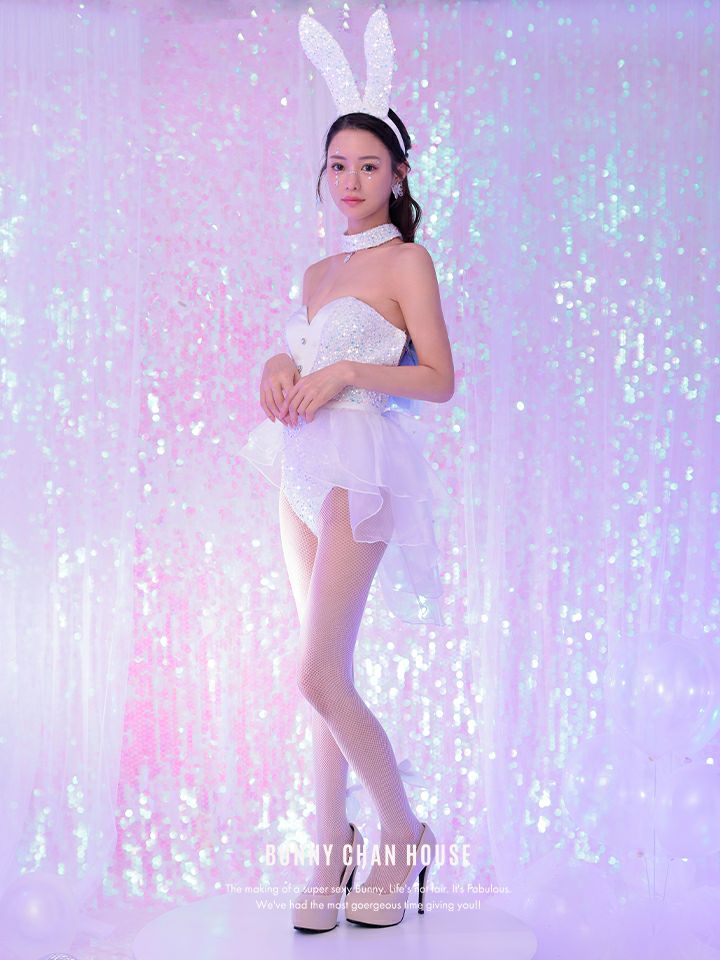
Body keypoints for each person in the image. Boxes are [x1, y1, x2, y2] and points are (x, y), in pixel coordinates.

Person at [239, 10, 454, 933]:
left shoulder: (408, 262)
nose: (351, 182)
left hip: (362, 465)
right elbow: (297, 358)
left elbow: (438, 379)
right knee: (322, 668)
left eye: (369, 166)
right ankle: (331, 850)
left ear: (398, 174)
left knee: (319, 672)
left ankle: (401, 836)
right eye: (337, 166)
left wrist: (348, 373)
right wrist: (278, 369)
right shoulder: (317, 273)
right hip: (298, 464)